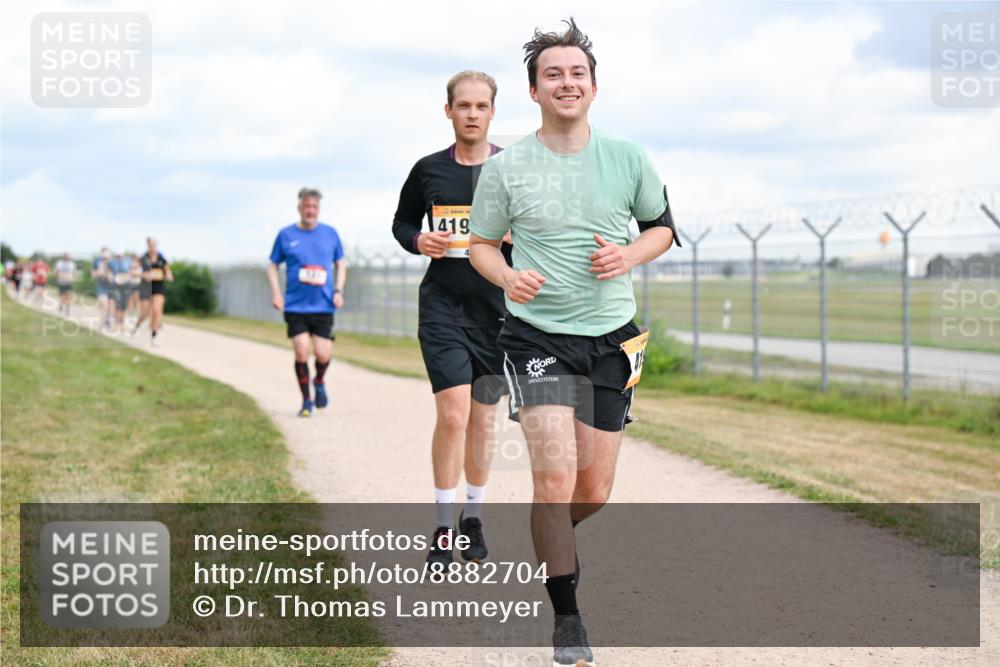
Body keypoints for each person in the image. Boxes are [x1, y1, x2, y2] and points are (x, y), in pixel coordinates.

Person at [468, 18, 680, 667]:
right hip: (536, 334)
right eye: (553, 74)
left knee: (593, 489)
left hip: (613, 335)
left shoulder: (629, 157)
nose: (567, 82)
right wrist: (506, 273)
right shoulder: (507, 169)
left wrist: (629, 254)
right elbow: (479, 244)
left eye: (577, 73)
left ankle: (550, 534)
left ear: (594, 86)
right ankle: (568, 618)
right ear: (534, 90)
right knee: (555, 476)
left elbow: (663, 228)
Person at [392, 71, 512, 570]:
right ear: (449, 111)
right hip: (442, 307)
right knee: (454, 415)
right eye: (463, 106)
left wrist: (513, 241)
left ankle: (474, 517)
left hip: (497, 313)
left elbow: (540, 230)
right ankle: (443, 525)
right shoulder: (427, 171)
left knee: (483, 421)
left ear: (491, 112)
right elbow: (402, 223)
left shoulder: (513, 167)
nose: (472, 114)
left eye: (481, 106)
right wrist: (420, 241)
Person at [268, 187, 346, 416]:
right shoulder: (286, 235)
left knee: (322, 354)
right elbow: (272, 265)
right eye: (306, 206)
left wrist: (339, 290)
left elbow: (340, 263)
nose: (310, 210)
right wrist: (276, 292)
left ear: (318, 209)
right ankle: (306, 401)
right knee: (301, 351)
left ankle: (319, 381)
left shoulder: (330, 234)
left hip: (323, 305)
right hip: (295, 305)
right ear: (299, 208)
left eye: (314, 207)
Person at [132, 238, 173, 345]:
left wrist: (168, 275)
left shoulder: (161, 258)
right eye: (151, 245)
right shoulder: (143, 258)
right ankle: (137, 326)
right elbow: (133, 272)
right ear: (148, 246)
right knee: (145, 313)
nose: (153, 247)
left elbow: (167, 270)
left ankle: (154, 336)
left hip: (158, 287)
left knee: (156, 311)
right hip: (145, 287)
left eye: (155, 245)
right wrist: (143, 275)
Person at [108, 249, 132, 334]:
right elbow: (110, 273)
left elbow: (130, 272)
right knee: (117, 306)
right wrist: (111, 278)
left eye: (120, 255)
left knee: (123, 307)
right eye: (118, 255)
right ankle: (117, 325)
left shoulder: (128, 262)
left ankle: (121, 325)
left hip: (125, 287)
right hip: (116, 287)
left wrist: (128, 277)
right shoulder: (112, 263)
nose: (119, 257)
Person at [92, 248, 113, 328]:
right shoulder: (97, 262)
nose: (105, 259)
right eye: (104, 257)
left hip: (110, 287)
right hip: (100, 286)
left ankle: (106, 320)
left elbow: (112, 278)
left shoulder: (112, 264)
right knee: (104, 304)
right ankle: (104, 321)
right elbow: (93, 274)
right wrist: (99, 273)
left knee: (108, 306)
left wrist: (107, 273)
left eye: (107, 258)